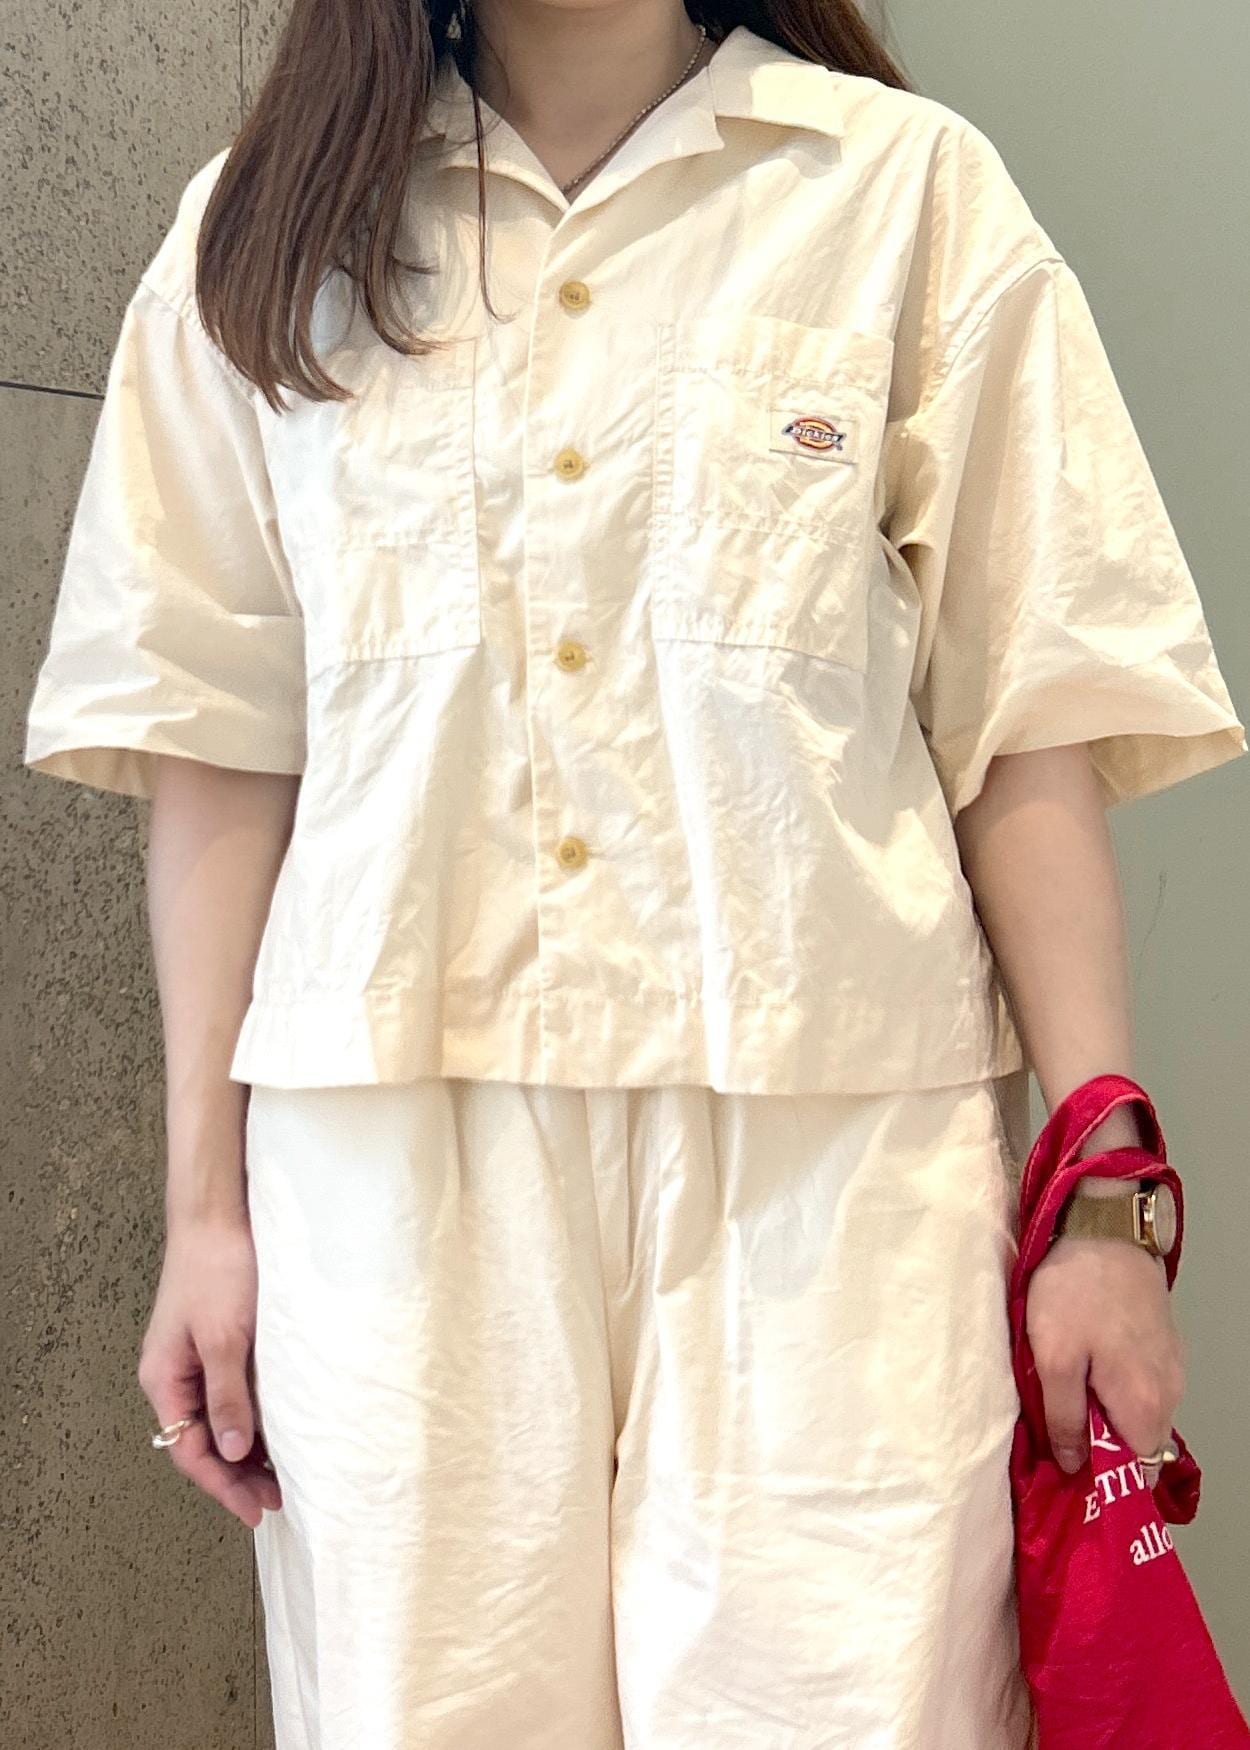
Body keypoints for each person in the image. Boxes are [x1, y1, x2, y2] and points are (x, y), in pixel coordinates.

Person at [22, 1, 1247, 1745]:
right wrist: (203, 1213)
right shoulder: (261, 235)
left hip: (838, 1161)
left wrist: (1105, 1198)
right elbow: (216, 742)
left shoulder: (901, 191)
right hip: (388, 1167)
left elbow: (1024, 717)